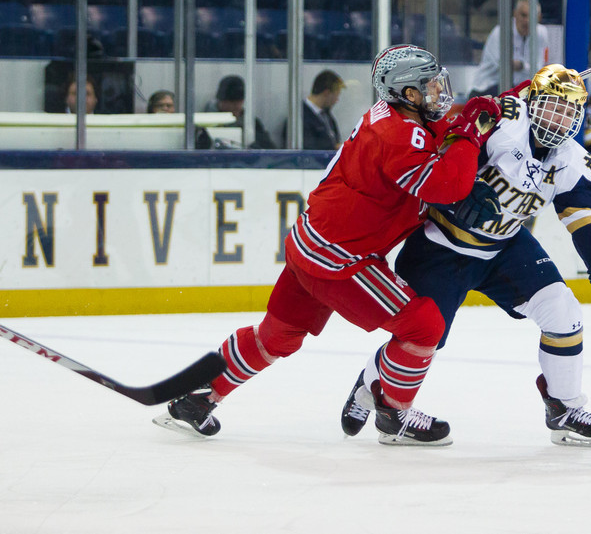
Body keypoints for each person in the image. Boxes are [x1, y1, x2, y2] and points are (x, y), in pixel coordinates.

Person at [154, 45, 502, 446]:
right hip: (342, 261)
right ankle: (394, 412)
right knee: (423, 326)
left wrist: (499, 103)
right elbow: (449, 185)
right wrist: (470, 134)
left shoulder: (392, 117)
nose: (440, 92)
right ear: (407, 94)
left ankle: (198, 396)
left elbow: (436, 132)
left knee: (277, 336)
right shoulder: (398, 136)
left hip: (310, 244)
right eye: (429, 86)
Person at [339, 64, 591, 447]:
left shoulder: (575, 162)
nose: (560, 118)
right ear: (533, 102)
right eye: (552, 106)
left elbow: (588, 224)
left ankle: (563, 407)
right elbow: (443, 154)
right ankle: (377, 391)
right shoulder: (502, 120)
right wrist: (461, 194)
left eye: (570, 111)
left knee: (562, 309)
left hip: (504, 248)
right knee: (423, 338)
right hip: (440, 247)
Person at [468, 0, 550, 98]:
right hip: (487, 87)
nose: (527, 21)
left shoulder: (541, 33)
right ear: (515, 14)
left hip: (520, 89)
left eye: (532, 17)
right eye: (523, 15)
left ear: (539, 18)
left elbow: (538, 68)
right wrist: (524, 66)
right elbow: (503, 65)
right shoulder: (500, 32)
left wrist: (521, 65)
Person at [207, 74, 278, 149]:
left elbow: (269, 149)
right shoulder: (206, 122)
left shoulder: (251, 123)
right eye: (229, 102)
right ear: (220, 101)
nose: (232, 107)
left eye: (237, 103)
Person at [300, 69, 344, 151]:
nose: (336, 100)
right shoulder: (300, 117)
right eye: (336, 96)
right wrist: (333, 148)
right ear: (326, 93)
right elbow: (308, 151)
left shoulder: (326, 115)